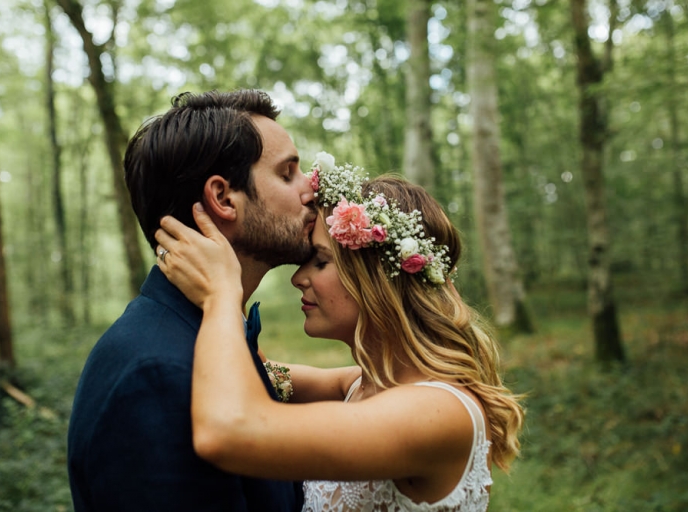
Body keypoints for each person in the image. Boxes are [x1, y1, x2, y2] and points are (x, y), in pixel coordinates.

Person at [154, 153, 525, 511]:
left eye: (320, 261)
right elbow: (260, 373)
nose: (299, 278)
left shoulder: (439, 413)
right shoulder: (360, 385)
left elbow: (228, 432)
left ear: (379, 279)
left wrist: (221, 292)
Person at [67, 90, 327, 511]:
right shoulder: (155, 373)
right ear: (224, 199)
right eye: (287, 173)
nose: (310, 190)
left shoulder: (207, 330)